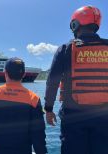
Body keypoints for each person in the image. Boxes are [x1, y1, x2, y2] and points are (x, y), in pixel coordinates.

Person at [44, 5, 108, 154]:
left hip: (73, 118)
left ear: (75, 24)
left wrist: (48, 109)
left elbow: (52, 82)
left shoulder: (65, 49)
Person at [0, 57, 47, 154]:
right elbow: (38, 133)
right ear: (23, 74)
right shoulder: (33, 99)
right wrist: (41, 151)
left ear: (5, 73)